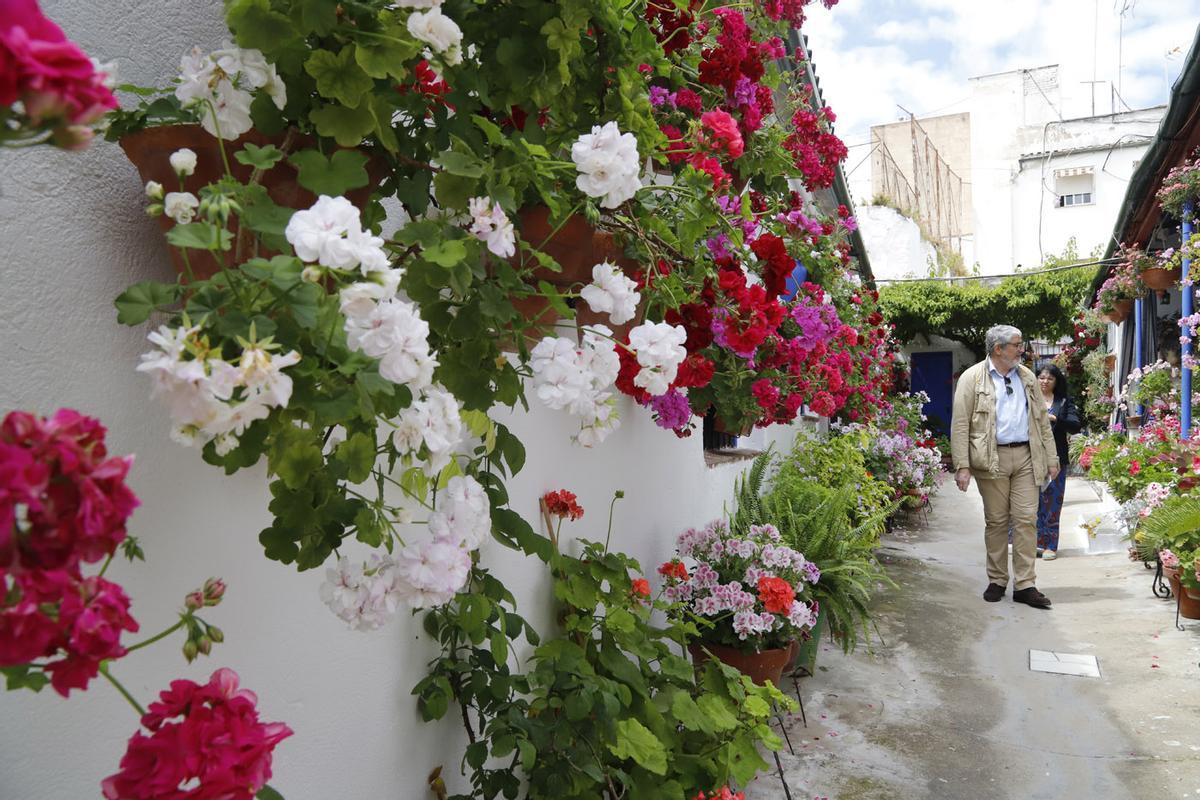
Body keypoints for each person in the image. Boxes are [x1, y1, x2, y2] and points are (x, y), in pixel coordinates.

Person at [950, 325, 1059, 609]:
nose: (1021, 349)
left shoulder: (1028, 377)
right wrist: (962, 465)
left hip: (1025, 455)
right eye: (1016, 345)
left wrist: (1052, 458)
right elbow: (960, 424)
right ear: (998, 349)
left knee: (1026, 520)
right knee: (997, 522)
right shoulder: (972, 378)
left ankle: (1026, 585)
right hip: (990, 458)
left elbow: (1040, 420)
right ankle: (997, 580)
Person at [1035, 361, 1081, 560]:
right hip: (1032, 457)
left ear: (1056, 381)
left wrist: (1056, 420)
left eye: (1050, 378)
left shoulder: (1063, 401)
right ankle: (1036, 543)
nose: (1045, 381)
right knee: (1033, 503)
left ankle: (1050, 546)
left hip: (1057, 459)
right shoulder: (1029, 399)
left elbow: (1075, 425)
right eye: (1042, 377)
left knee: (1053, 502)